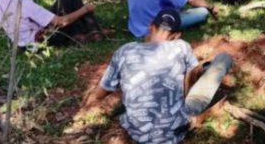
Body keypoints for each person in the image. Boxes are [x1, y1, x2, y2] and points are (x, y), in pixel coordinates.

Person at [84, 8, 233, 144]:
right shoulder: (181, 46)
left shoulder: (124, 51)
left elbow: (99, 94)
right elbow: (186, 88)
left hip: (137, 133)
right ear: (177, 35)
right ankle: (208, 68)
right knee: (224, 59)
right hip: (174, 132)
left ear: (151, 26)